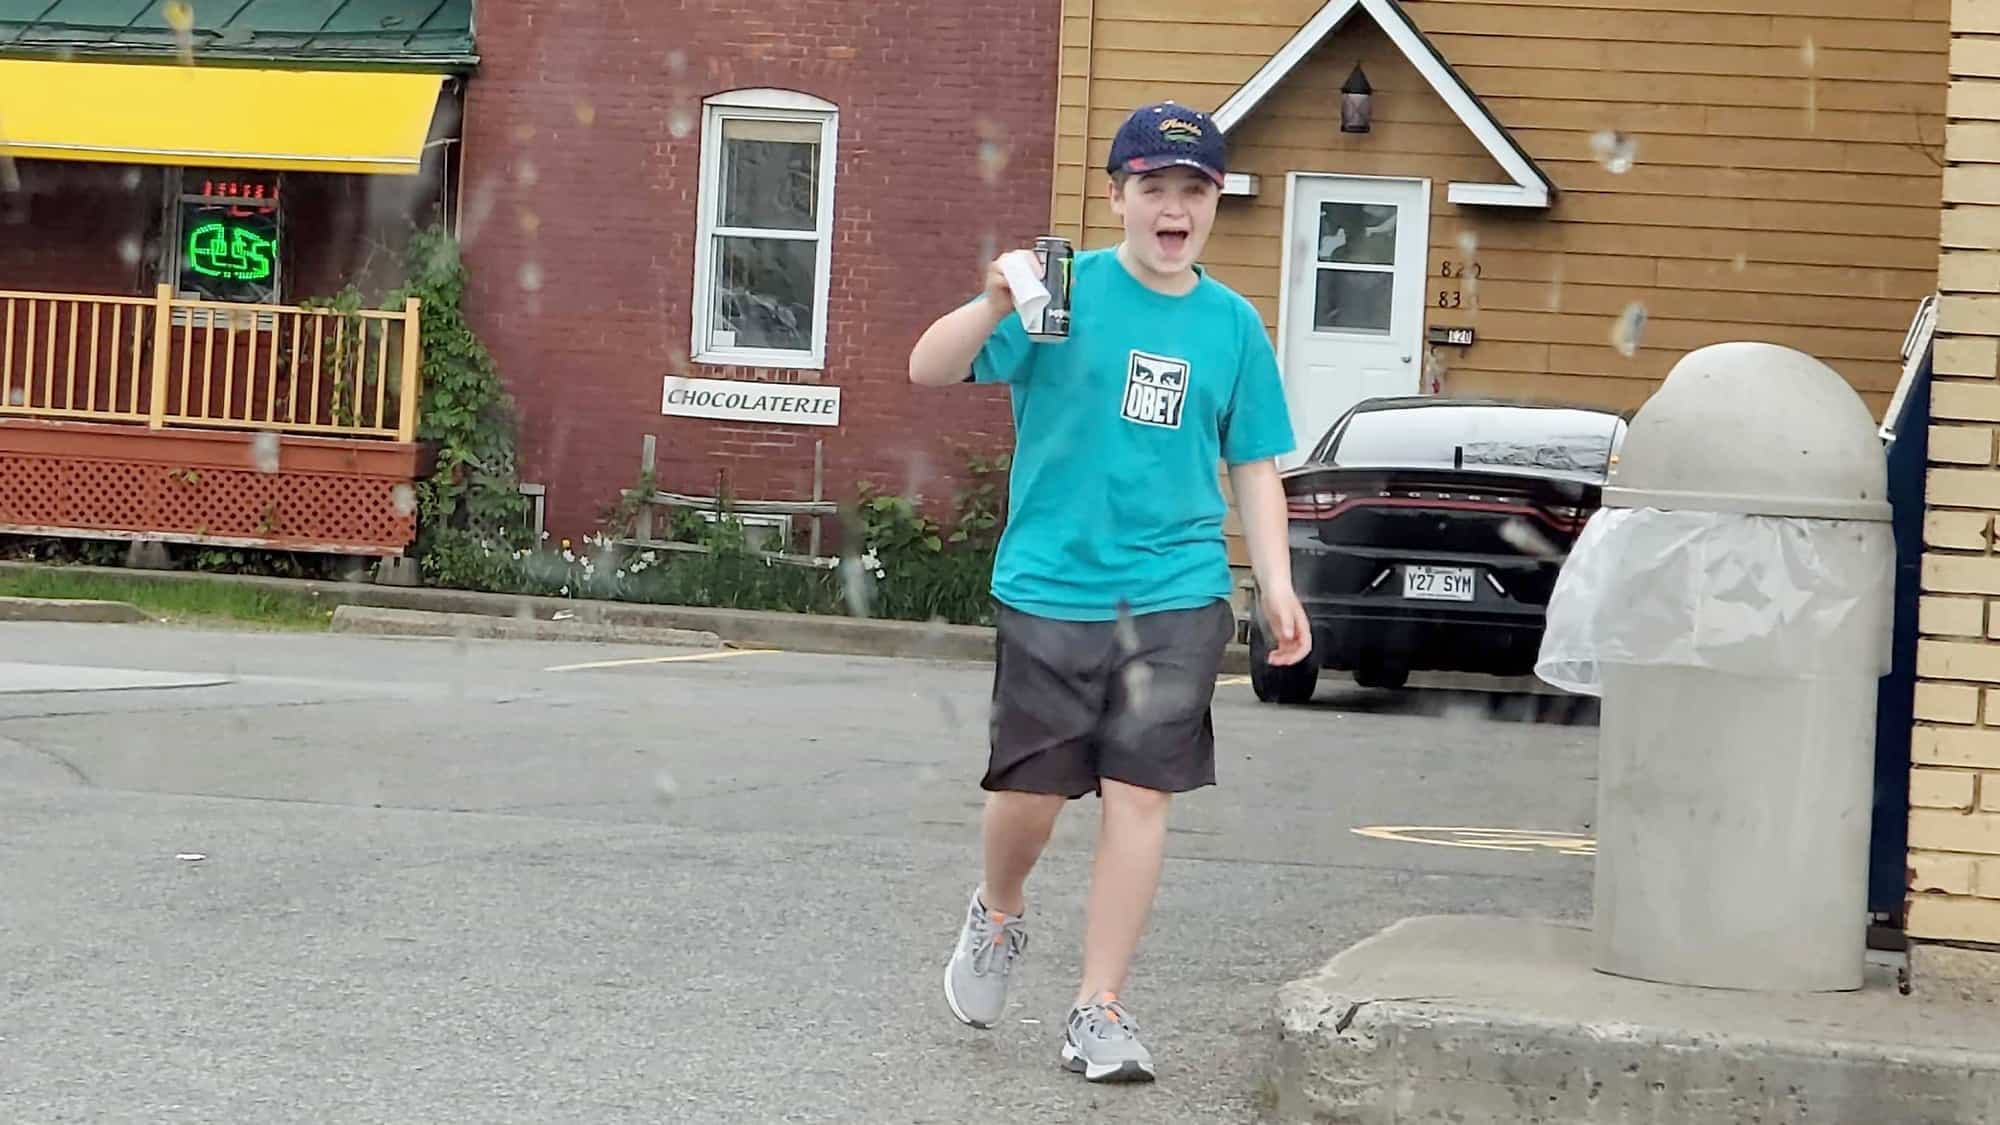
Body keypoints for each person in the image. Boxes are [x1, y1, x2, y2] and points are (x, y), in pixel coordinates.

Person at [906, 100, 1312, 1084]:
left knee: (1140, 793)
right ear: (1118, 196)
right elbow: (927, 368)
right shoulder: (1061, 291)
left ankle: (1099, 1008)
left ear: (1215, 202)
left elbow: (1253, 461)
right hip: (1051, 583)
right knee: (1032, 795)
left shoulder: (1230, 325)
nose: (1172, 208)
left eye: (1193, 190)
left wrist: (1276, 583)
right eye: (1152, 188)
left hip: (1175, 589)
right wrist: (994, 302)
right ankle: (997, 911)